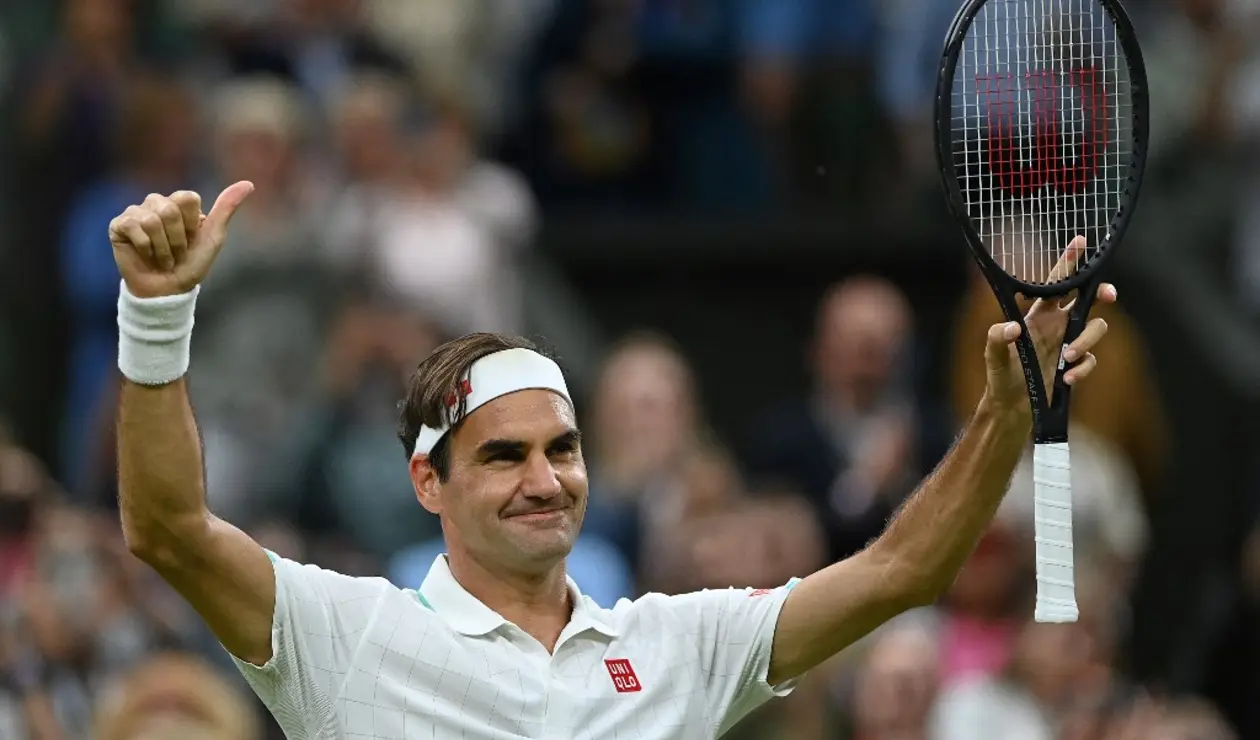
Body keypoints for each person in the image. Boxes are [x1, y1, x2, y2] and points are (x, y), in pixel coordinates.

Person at [106, 182, 1115, 739]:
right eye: (503, 456)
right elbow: (168, 529)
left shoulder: (681, 643)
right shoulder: (348, 634)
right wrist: (156, 315)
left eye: (563, 448)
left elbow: (905, 569)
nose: (546, 478)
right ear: (428, 482)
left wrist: (1004, 412)